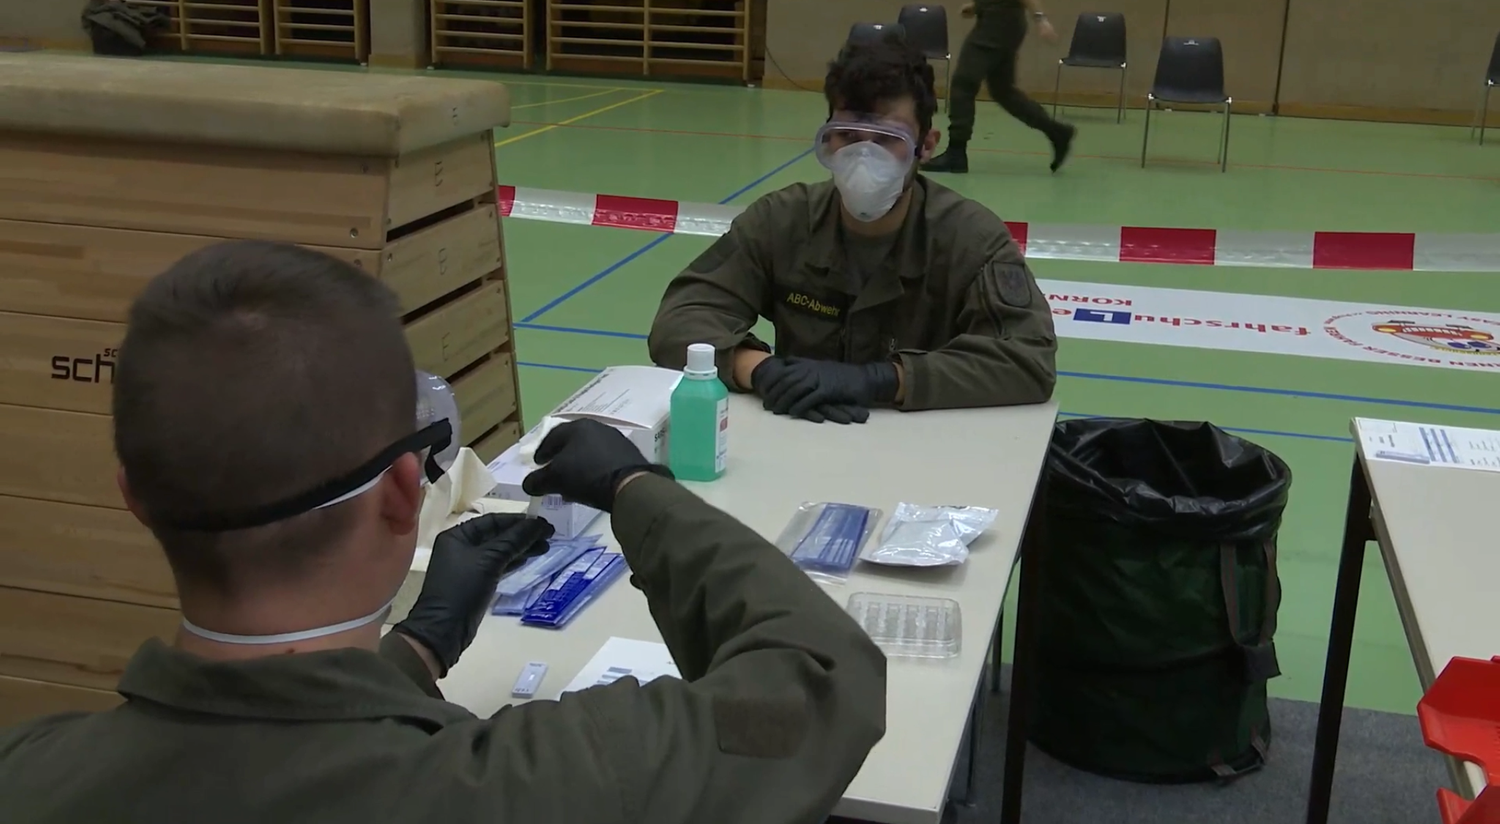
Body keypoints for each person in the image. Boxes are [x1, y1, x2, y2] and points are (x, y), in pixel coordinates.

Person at [0, 240, 887, 824]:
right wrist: (636, 490)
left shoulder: (31, 770)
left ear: (134, 497)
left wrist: (413, 655)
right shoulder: (537, 788)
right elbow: (823, 679)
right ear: (401, 492)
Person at [648, 35, 1057, 425]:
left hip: (925, 449)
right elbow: (681, 319)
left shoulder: (971, 239)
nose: (864, 157)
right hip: (803, 432)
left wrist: (884, 380)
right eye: (846, 136)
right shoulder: (782, 221)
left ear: (926, 145)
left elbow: (1026, 360)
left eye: (887, 139)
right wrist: (758, 370)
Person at [922, 0, 1077, 174]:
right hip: (1003, 23)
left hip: (997, 25)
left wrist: (1040, 18)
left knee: (963, 84)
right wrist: (978, 5)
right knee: (1003, 91)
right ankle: (1057, 132)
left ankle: (956, 152)